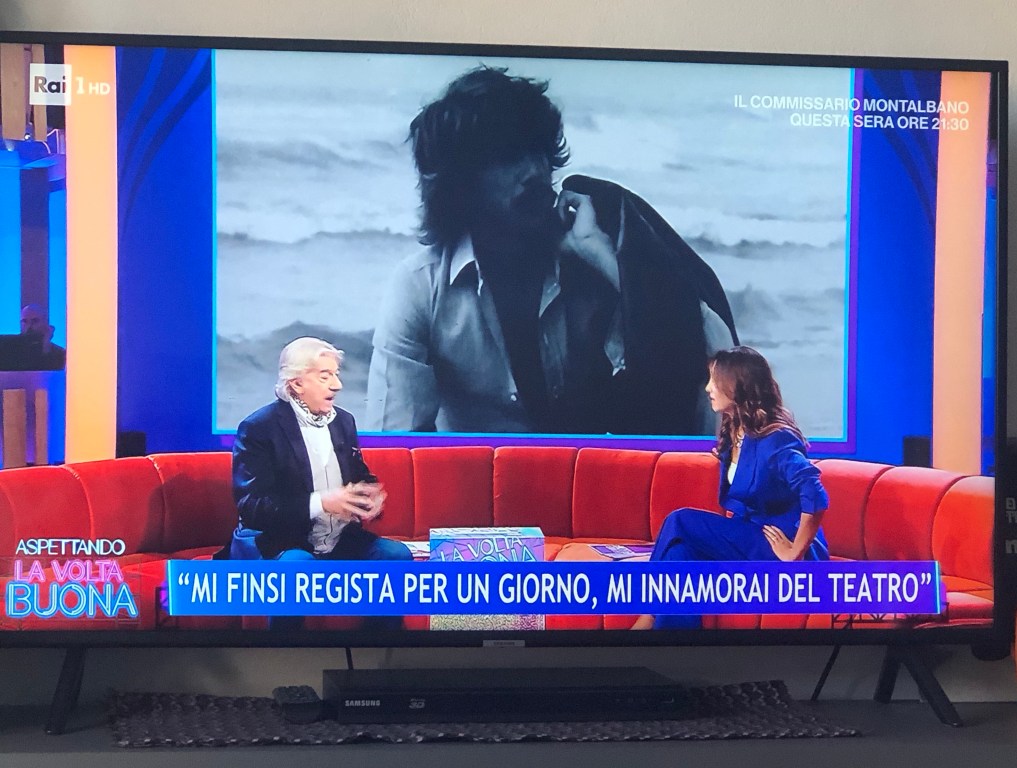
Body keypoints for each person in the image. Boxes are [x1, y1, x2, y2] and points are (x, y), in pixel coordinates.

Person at [365, 66, 737, 436]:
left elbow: (714, 358)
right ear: (462, 182)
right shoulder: (422, 287)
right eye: (508, 157)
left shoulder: (590, 261)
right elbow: (394, 444)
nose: (534, 171)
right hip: (478, 476)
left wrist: (609, 262)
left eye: (538, 151)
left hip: (590, 473)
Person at [632, 345, 829, 630]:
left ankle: (647, 616)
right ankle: (675, 650)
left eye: (715, 380)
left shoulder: (776, 439)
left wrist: (794, 551)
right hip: (749, 538)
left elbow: (815, 495)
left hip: (778, 547)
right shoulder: (736, 430)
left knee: (680, 520)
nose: (708, 388)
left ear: (737, 385)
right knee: (680, 555)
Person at [226, 337, 411, 630]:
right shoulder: (259, 428)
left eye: (336, 375)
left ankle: (375, 649)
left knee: (396, 556)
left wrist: (368, 497)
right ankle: (283, 654)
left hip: (339, 540)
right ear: (297, 384)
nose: (337, 385)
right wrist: (321, 503)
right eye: (325, 376)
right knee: (297, 568)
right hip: (281, 542)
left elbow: (359, 476)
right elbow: (252, 507)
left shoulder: (343, 422)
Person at [18, 304, 66, 370]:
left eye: (35, 321)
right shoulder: (11, 349)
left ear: (45, 322)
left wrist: (46, 346)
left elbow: (49, 372)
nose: (29, 326)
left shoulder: (59, 353)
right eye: (25, 321)